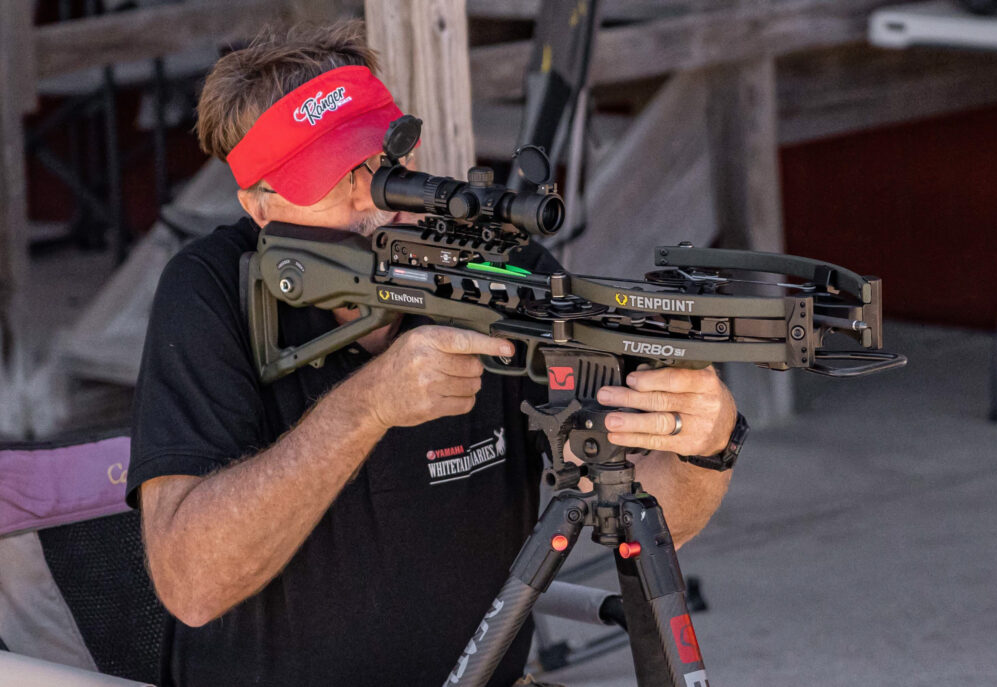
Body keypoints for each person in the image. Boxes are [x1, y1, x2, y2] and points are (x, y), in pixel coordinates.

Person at [127, 20, 740, 687]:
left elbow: (631, 509)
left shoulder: (499, 268)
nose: (375, 197)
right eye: (332, 177)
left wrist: (706, 447)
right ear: (261, 204)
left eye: (383, 160)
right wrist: (367, 407)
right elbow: (192, 583)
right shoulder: (209, 291)